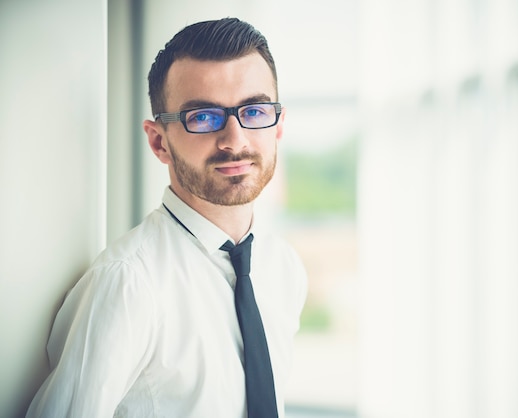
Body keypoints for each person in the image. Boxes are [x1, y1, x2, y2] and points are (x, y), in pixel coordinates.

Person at [26, 17, 307, 418]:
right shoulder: (128, 283)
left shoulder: (284, 268)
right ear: (159, 142)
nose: (235, 139)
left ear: (277, 126)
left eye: (255, 110)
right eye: (204, 117)